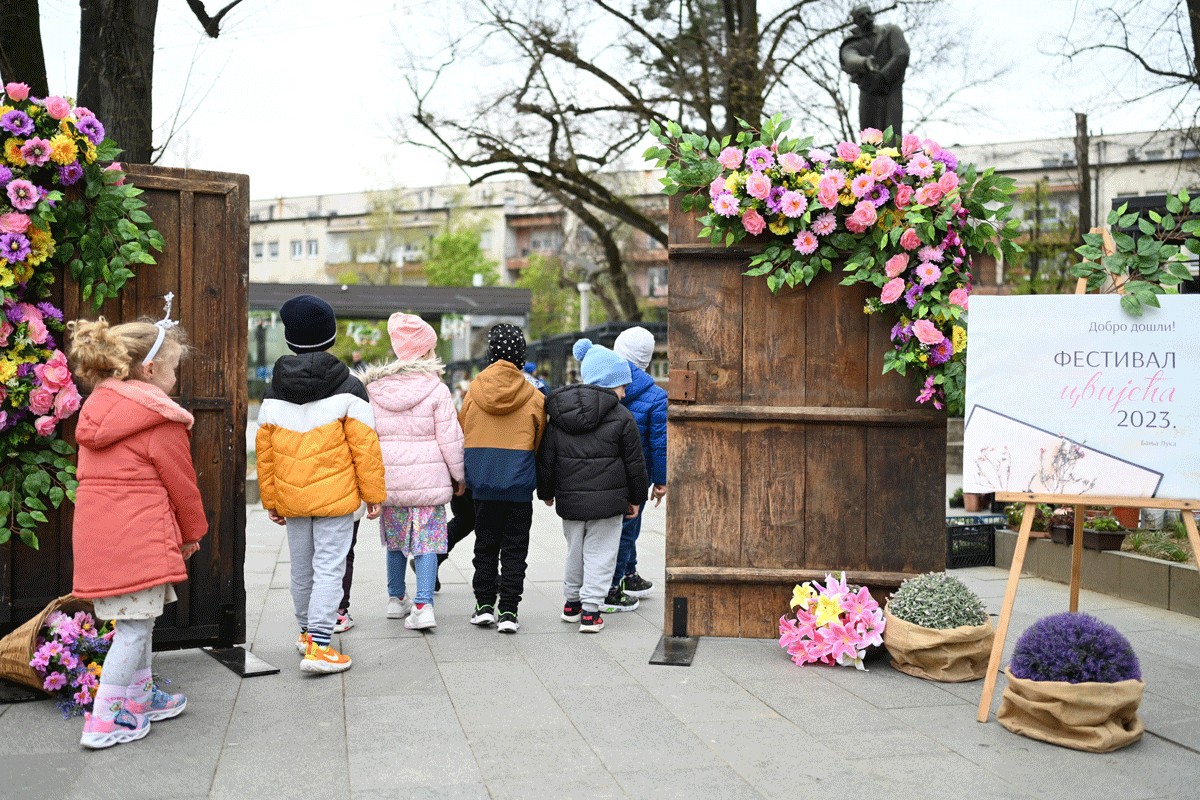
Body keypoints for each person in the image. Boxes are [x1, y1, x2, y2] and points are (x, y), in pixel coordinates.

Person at [67, 303, 206, 749]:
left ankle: (140, 697)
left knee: (136, 621)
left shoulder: (98, 415)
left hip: (100, 540)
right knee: (133, 629)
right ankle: (107, 718)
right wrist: (192, 534)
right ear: (149, 370)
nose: (175, 380)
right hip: (138, 539)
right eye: (172, 370)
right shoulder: (158, 420)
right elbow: (182, 487)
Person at [256, 295, 386, 674]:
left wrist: (272, 500)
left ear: (290, 339)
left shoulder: (273, 390)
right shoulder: (349, 387)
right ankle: (321, 645)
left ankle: (305, 633)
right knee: (330, 566)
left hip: (293, 499)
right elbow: (366, 447)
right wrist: (373, 493)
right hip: (337, 497)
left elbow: (264, 453)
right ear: (330, 336)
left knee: (301, 568)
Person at [359, 313, 464, 631]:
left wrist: (369, 483)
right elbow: (450, 438)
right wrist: (459, 476)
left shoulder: (375, 390)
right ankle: (423, 605)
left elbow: (368, 438)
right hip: (429, 481)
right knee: (428, 542)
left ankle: (395, 598)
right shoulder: (436, 389)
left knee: (394, 541)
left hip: (391, 481)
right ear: (426, 351)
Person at [539, 339, 648, 633]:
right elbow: (635, 464)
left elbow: (547, 456)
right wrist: (637, 497)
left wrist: (546, 491)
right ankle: (590, 611)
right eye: (622, 385)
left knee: (575, 550)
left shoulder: (559, 414)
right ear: (609, 382)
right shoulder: (622, 416)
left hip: (571, 500)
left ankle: (572, 603)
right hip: (609, 503)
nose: (625, 392)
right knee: (601, 553)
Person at [459, 324, 545, 633]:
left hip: (483, 483)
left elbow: (462, 431)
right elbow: (539, 440)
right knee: (514, 549)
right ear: (522, 354)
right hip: (518, 484)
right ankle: (508, 610)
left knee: (485, 546)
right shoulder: (534, 396)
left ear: (490, 354)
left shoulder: (473, 391)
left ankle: (484, 605)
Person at [603, 327, 667, 612]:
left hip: (604, 469)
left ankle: (628, 575)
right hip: (637, 475)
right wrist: (662, 480)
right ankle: (613, 587)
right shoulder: (656, 395)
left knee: (622, 527)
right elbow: (660, 444)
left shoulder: (602, 383)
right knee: (628, 528)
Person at [839, 4, 909, 138]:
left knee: (892, 135)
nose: (867, 18)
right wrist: (864, 63)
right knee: (870, 138)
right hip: (868, 93)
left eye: (868, 13)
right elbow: (848, 58)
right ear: (855, 21)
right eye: (861, 16)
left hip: (891, 90)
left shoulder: (891, 31)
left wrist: (883, 77)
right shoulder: (852, 43)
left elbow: (902, 54)